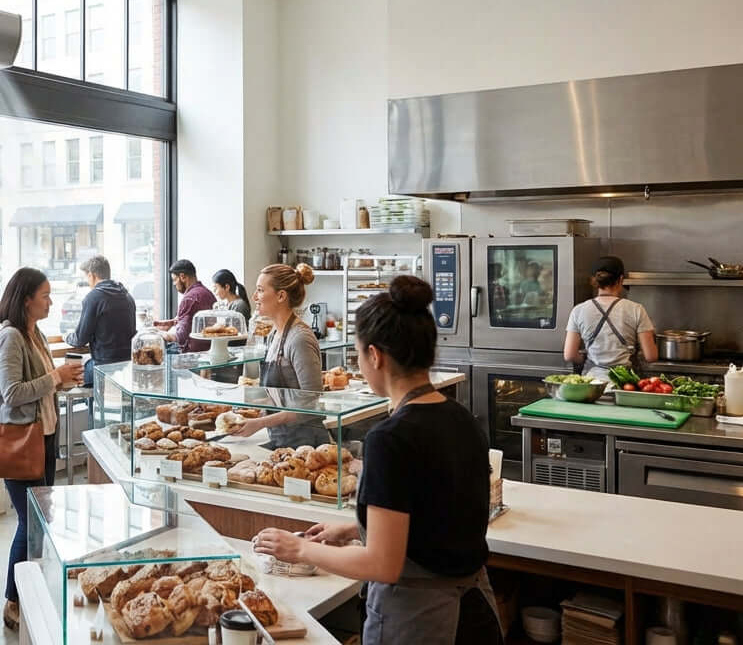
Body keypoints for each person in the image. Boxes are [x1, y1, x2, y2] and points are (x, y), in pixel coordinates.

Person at [253, 276, 502, 645]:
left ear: (375, 356)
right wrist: (354, 529)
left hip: (419, 619)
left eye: (358, 354)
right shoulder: (461, 418)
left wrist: (300, 549)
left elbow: (382, 563)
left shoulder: (389, 439)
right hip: (477, 613)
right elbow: (436, 514)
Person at [0, 268, 85, 630]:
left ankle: (28, 591)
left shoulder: (37, 334)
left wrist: (61, 383)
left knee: (40, 520)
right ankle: (13, 598)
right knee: (32, 521)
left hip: (43, 438)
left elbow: (41, 388)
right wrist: (55, 378)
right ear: (26, 299)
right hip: (20, 442)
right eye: (45, 295)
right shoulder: (10, 338)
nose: (50, 301)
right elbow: (12, 393)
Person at [230, 264, 329, 448]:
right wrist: (253, 409)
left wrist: (259, 423)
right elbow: (282, 396)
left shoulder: (299, 338)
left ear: (281, 296)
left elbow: (311, 404)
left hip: (306, 444)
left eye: (260, 290)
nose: (254, 297)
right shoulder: (274, 334)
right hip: (282, 438)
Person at [564, 256, 657, 381]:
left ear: (594, 280)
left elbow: (569, 355)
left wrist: (584, 358)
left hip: (590, 383)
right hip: (624, 383)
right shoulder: (636, 309)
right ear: (621, 279)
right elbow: (651, 356)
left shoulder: (578, 310)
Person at [63, 255, 136, 387]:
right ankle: (94, 404)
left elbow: (80, 339)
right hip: (127, 367)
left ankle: (91, 405)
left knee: (72, 374)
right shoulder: (127, 296)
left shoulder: (93, 297)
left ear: (91, 275)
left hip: (103, 368)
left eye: (87, 277)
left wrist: (66, 336)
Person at [161, 259, 215, 352]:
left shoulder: (189, 299)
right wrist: (174, 323)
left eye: (174, 280)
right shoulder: (208, 294)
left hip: (193, 358)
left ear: (182, 277)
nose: (174, 284)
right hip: (210, 353)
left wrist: (157, 333)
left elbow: (180, 338)